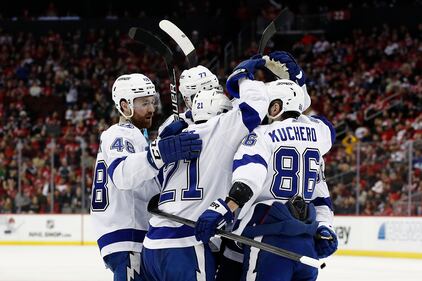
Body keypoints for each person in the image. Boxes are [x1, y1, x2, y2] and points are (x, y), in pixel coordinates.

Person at [140, 57, 270, 281]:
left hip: (152, 244)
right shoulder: (222, 129)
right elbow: (257, 104)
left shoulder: (174, 133)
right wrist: (242, 78)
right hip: (187, 245)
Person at [195, 79, 338, 281]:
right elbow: (321, 195)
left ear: (275, 106)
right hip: (305, 239)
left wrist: (222, 209)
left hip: (267, 235)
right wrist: (325, 226)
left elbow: (248, 180)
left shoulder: (261, 135)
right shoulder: (317, 139)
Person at [90, 73, 202, 281]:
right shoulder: (121, 133)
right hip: (128, 235)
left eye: (152, 102)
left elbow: (149, 183)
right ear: (124, 106)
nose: (151, 109)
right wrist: (162, 152)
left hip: (131, 236)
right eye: (143, 103)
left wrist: (165, 139)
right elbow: (122, 174)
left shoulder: (136, 137)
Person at [158, 65, 221, 133]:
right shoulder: (174, 122)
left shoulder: (229, 115)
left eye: (211, 91)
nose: (207, 99)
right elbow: (154, 143)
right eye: (198, 96)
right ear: (186, 99)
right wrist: (165, 142)